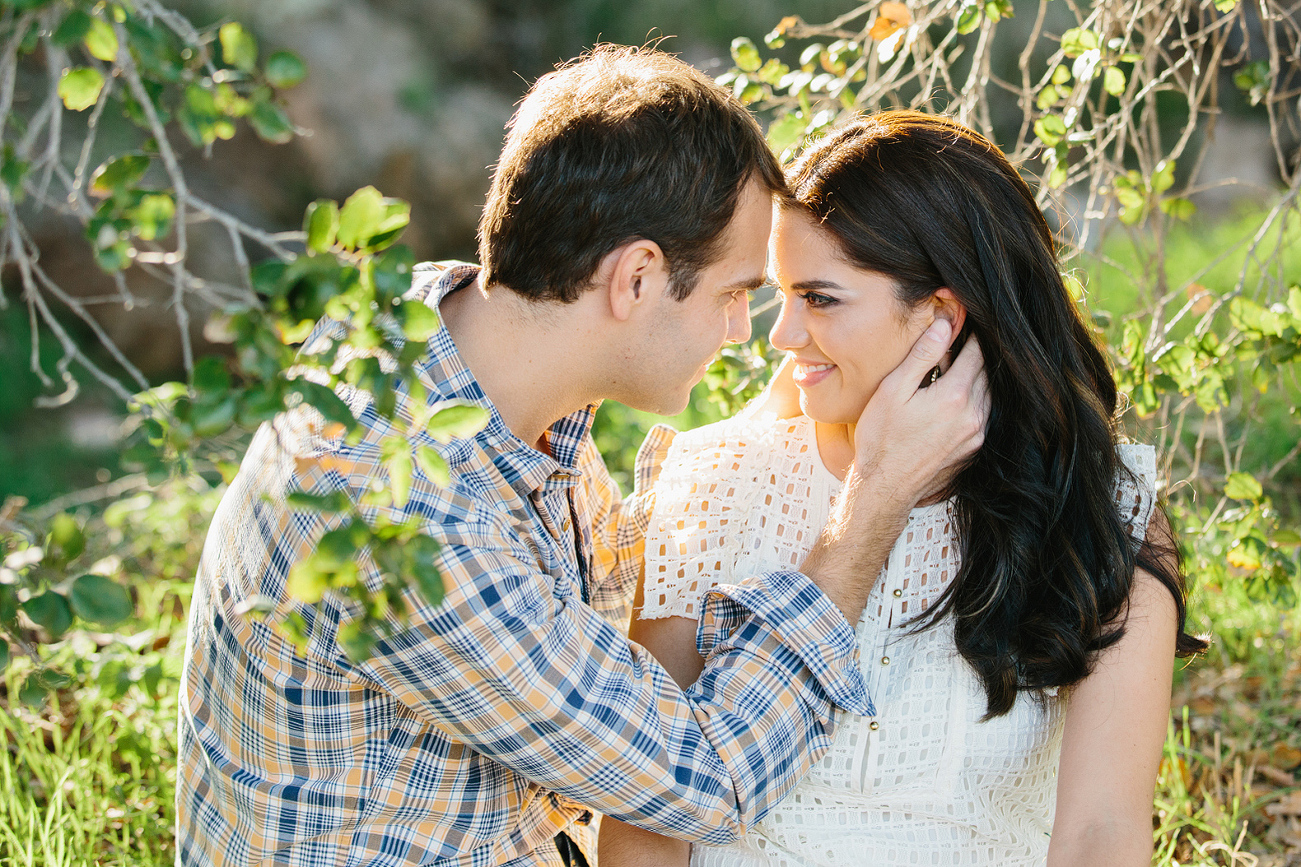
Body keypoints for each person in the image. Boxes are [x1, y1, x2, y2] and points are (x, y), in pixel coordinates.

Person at [175, 50, 988, 866]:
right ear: (634, 278)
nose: (745, 331)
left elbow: (563, 608)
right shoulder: (405, 517)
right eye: (733, 294)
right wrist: (870, 504)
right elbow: (705, 782)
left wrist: (775, 435)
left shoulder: (445, 339)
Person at [599, 111, 1206, 867]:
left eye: (819, 298)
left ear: (940, 318)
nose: (781, 336)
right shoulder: (716, 481)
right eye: (780, 294)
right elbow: (647, 819)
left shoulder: (1102, 510)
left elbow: (1099, 833)